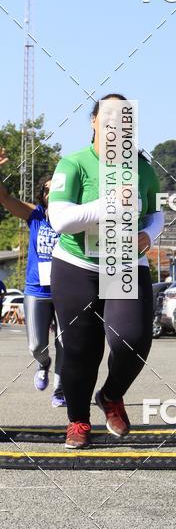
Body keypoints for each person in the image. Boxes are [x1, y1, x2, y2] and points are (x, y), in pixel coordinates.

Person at [48, 94, 164, 450]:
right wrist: (106, 206)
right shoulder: (74, 163)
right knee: (81, 349)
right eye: (108, 115)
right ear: (94, 121)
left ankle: (111, 395)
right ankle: (78, 421)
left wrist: (150, 233)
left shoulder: (142, 168)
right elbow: (60, 218)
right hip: (76, 265)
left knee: (134, 339)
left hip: (125, 260)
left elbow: (156, 211)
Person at [0, 154, 64, 405]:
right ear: (42, 195)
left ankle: (60, 389)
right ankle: (43, 363)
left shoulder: (74, 218)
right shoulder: (35, 215)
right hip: (36, 290)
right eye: (47, 190)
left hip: (66, 289)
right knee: (37, 344)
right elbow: (3, 198)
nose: (52, 194)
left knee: (65, 343)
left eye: (56, 189)